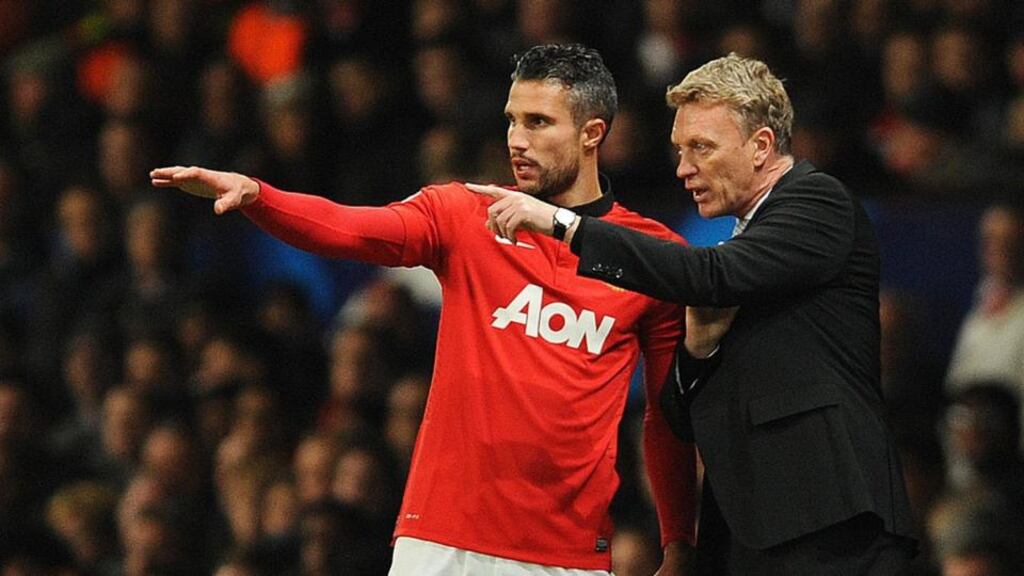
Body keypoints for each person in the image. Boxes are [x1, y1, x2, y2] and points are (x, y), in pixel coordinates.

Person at [151, 44, 697, 575]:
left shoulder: (651, 258)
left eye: (538, 122)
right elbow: (353, 228)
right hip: (442, 542)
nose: (516, 140)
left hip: (569, 554)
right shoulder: (466, 214)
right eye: (512, 121)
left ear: (592, 134)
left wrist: (677, 543)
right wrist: (258, 195)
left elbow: (666, 416)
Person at [471, 52, 917, 575]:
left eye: (702, 148)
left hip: (832, 523)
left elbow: (710, 276)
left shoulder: (818, 203)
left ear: (761, 146)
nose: (684, 168)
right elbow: (681, 417)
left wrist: (566, 225)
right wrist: (696, 350)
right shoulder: (741, 246)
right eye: (680, 150)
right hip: (749, 533)